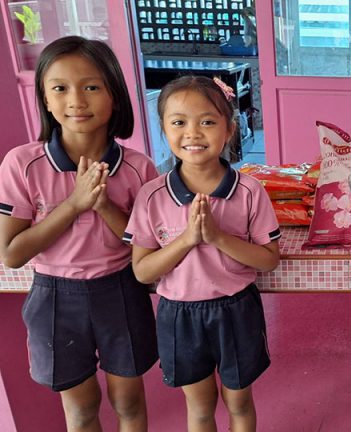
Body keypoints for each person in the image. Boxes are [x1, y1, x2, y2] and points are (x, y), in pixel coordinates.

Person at [0, 36, 159, 431]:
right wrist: (74, 204)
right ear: (45, 99)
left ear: (115, 95)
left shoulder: (138, 168)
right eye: (60, 88)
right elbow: (11, 253)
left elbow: (148, 248)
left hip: (121, 291)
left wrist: (104, 205)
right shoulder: (22, 164)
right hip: (55, 297)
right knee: (82, 407)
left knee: (128, 401)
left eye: (91, 87)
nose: (76, 100)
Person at [124, 75, 281, 431]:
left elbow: (269, 258)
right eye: (179, 122)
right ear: (164, 130)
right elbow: (142, 271)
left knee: (239, 401)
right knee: (199, 406)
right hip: (179, 314)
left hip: (236, 309)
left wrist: (217, 237)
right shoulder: (152, 196)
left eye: (207, 121)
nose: (192, 133)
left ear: (229, 129)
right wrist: (188, 239)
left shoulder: (250, 191)